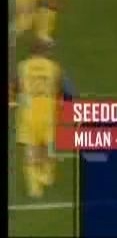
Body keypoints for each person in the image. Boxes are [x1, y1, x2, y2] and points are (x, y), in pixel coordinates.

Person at [14, 40, 73, 197]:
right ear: (44, 52)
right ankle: (46, 176)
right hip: (48, 113)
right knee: (47, 147)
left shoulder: (22, 67)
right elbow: (65, 90)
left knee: (31, 148)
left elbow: (15, 88)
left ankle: (34, 187)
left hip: (28, 113)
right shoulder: (54, 67)